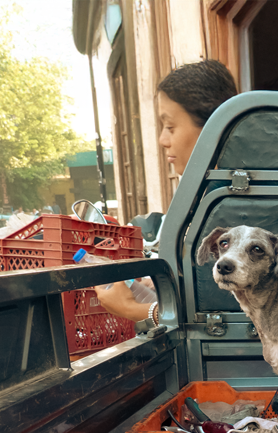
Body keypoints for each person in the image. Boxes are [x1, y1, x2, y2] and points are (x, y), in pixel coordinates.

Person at [95, 60, 237, 324]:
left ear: (211, 127)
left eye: (170, 127)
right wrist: (157, 285)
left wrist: (131, 309)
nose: (162, 140)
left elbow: (215, 316)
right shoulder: (210, 192)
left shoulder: (222, 203)